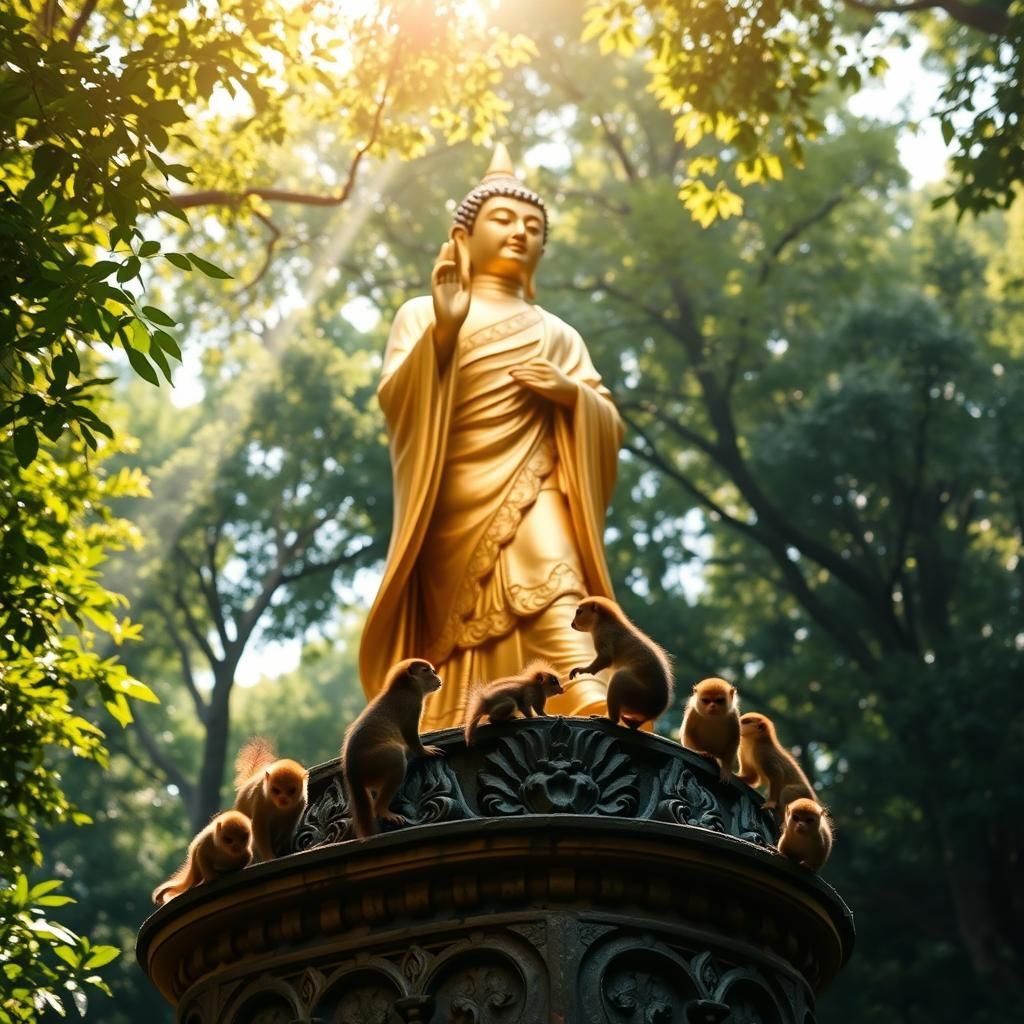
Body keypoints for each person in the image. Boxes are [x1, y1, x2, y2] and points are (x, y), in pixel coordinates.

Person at [358, 145, 624, 730]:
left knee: (556, 581)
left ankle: (584, 691)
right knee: (458, 626)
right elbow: (396, 402)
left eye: (534, 227)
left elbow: (606, 416)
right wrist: (445, 333)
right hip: (453, 500)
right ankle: (455, 715)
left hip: (539, 485)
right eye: (502, 220)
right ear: (463, 234)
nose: (520, 233)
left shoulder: (556, 333)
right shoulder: (421, 314)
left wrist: (570, 395)